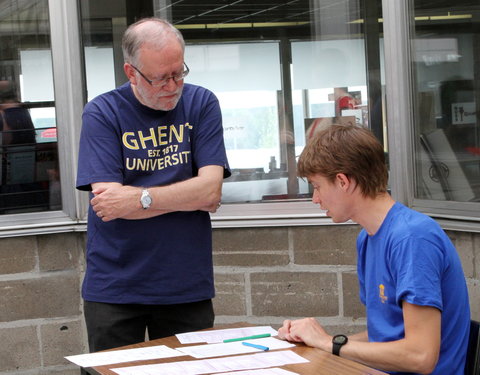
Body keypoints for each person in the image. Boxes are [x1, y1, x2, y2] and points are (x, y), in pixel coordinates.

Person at [76, 17, 230, 352]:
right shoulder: (102, 113)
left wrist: (140, 198)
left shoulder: (201, 103)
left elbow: (210, 191)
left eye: (179, 73)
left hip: (185, 285)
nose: (173, 86)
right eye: (161, 78)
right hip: (115, 286)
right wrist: (186, 195)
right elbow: (109, 205)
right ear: (131, 72)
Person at [278, 124, 470, 375]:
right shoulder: (367, 238)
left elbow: (420, 356)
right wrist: (318, 341)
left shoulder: (412, 238)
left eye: (316, 186)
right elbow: (386, 336)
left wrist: (328, 343)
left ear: (342, 181)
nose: (316, 199)